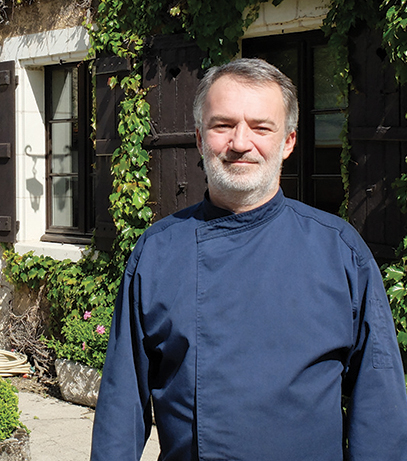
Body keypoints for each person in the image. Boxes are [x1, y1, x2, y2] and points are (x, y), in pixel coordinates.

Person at [90, 58, 407, 460]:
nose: (240, 143)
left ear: (288, 141)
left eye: (260, 127)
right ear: (200, 138)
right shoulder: (157, 252)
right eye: (222, 125)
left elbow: (380, 406)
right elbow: (122, 406)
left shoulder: (340, 251)